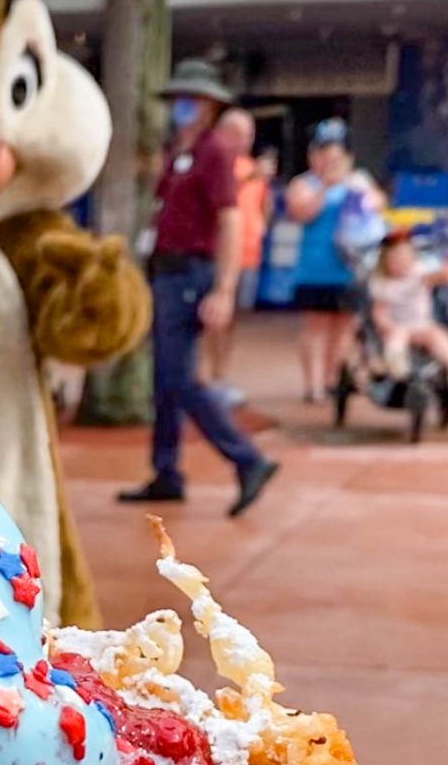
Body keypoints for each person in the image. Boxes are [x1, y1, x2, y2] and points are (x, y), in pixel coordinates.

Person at [119, 60, 279, 516]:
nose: (182, 107)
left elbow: (229, 219)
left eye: (191, 99)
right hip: (166, 273)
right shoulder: (178, 151)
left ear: (210, 107)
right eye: (177, 99)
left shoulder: (213, 154)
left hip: (191, 273)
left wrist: (224, 288)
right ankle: (166, 471)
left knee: (180, 378)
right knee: (164, 381)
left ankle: (247, 458)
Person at [285, 118, 383, 403]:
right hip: (315, 269)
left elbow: (376, 206)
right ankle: (311, 385)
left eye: (335, 153)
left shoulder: (358, 181)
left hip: (349, 270)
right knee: (315, 326)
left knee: (344, 327)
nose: (329, 158)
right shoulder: (304, 184)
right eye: (322, 152)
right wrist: (325, 187)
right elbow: (301, 212)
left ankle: (332, 380)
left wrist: (358, 190)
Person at [203, 108, 272, 406]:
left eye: (248, 135)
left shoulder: (251, 167)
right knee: (213, 318)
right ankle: (207, 378)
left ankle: (222, 376)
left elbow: (263, 204)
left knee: (233, 321)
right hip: (218, 254)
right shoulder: (214, 163)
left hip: (249, 254)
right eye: (238, 134)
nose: (244, 141)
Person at [368, 230, 448, 382]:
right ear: (385, 262)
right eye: (394, 259)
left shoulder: (418, 273)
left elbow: (437, 277)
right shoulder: (382, 284)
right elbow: (379, 312)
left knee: (438, 335)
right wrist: (387, 327)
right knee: (397, 337)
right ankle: (396, 361)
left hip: (421, 325)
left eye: (404, 258)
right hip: (397, 326)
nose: (400, 263)